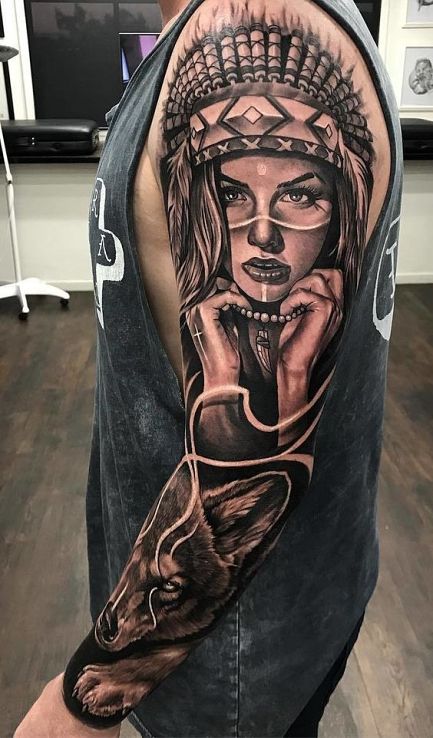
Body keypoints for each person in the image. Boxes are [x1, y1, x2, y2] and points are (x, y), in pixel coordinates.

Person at [15, 0, 403, 736]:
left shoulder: (251, 22)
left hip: (228, 639)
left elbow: (248, 471)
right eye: (230, 194)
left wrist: (85, 698)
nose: (262, 236)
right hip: (254, 601)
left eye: (299, 195)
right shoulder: (200, 30)